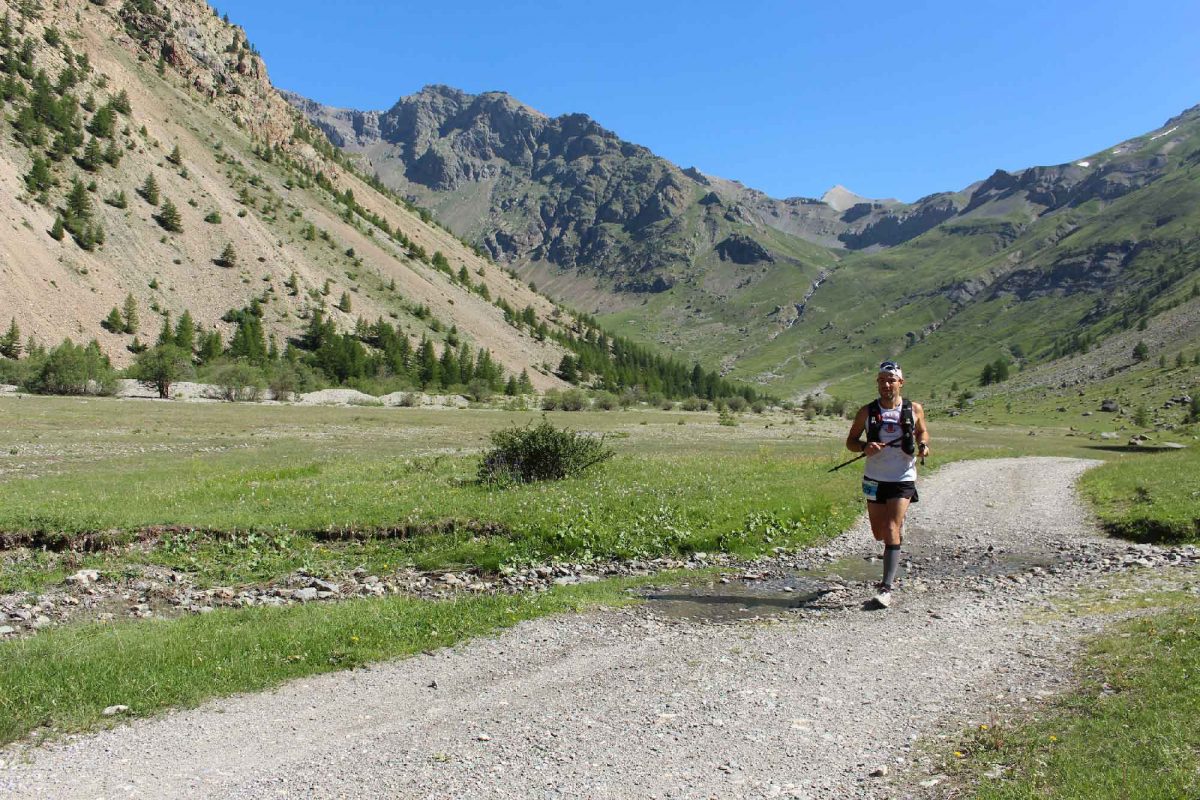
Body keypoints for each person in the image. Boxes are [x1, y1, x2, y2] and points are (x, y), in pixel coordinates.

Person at [844, 360, 930, 608]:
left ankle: (886, 588)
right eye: (882, 380)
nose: (886, 385)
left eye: (891, 380)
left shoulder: (914, 409)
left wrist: (923, 445)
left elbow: (922, 432)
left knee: (891, 527)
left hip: (903, 477)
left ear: (900, 383)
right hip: (874, 477)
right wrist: (863, 447)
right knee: (879, 533)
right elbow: (850, 441)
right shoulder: (866, 412)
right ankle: (895, 532)